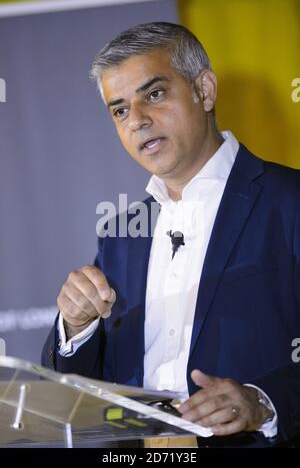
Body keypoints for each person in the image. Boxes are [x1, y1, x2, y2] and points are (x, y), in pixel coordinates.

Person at [42, 22, 300, 448]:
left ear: (205, 89)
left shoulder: (288, 202)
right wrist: (75, 326)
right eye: (120, 110)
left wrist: (261, 402)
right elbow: (87, 391)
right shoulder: (121, 234)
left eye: (155, 94)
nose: (138, 120)